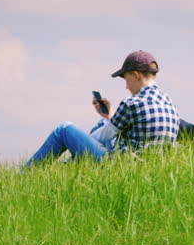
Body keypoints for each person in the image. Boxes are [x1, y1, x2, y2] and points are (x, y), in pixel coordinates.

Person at [23, 51, 179, 168]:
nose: (126, 86)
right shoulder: (169, 103)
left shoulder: (133, 103)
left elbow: (102, 137)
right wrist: (109, 116)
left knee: (63, 130)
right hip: (150, 167)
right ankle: (67, 169)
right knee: (101, 122)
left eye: (126, 80)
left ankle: (26, 175)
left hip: (123, 167)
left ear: (136, 75)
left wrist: (79, 144)